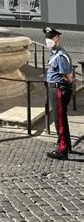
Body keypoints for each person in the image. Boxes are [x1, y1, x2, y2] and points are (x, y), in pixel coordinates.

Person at [44, 27, 74, 160]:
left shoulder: (61, 55)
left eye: (51, 38)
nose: (48, 40)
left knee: (60, 121)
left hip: (59, 90)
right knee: (61, 119)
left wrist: (68, 85)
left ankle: (62, 150)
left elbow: (67, 76)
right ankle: (66, 145)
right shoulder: (54, 52)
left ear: (57, 39)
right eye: (47, 37)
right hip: (55, 89)